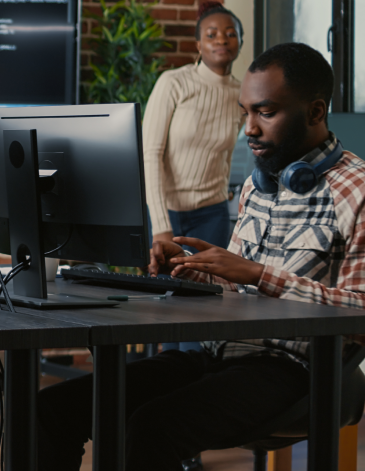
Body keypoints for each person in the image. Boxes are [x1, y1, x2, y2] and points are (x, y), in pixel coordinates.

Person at [37, 43, 364, 470]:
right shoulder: (258, 184)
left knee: (153, 427)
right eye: (245, 112)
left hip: (295, 370)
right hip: (220, 354)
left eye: (265, 113)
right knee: (52, 408)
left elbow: (360, 311)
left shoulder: (356, 191)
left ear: (316, 112)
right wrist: (193, 271)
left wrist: (257, 273)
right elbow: (237, 286)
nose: (248, 128)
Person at [142, 1, 245, 356]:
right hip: (167, 215)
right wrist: (160, 226)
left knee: (199, 309)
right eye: (212, 34)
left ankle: (194, 386)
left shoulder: (241, 95)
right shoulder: (174, 83)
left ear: (240, 43)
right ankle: (164, 381)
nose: (222, 40)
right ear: (198, 44)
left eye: (231, 34)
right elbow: (150, 153)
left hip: (211, 216)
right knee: (165, 308)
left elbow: (228, 153)